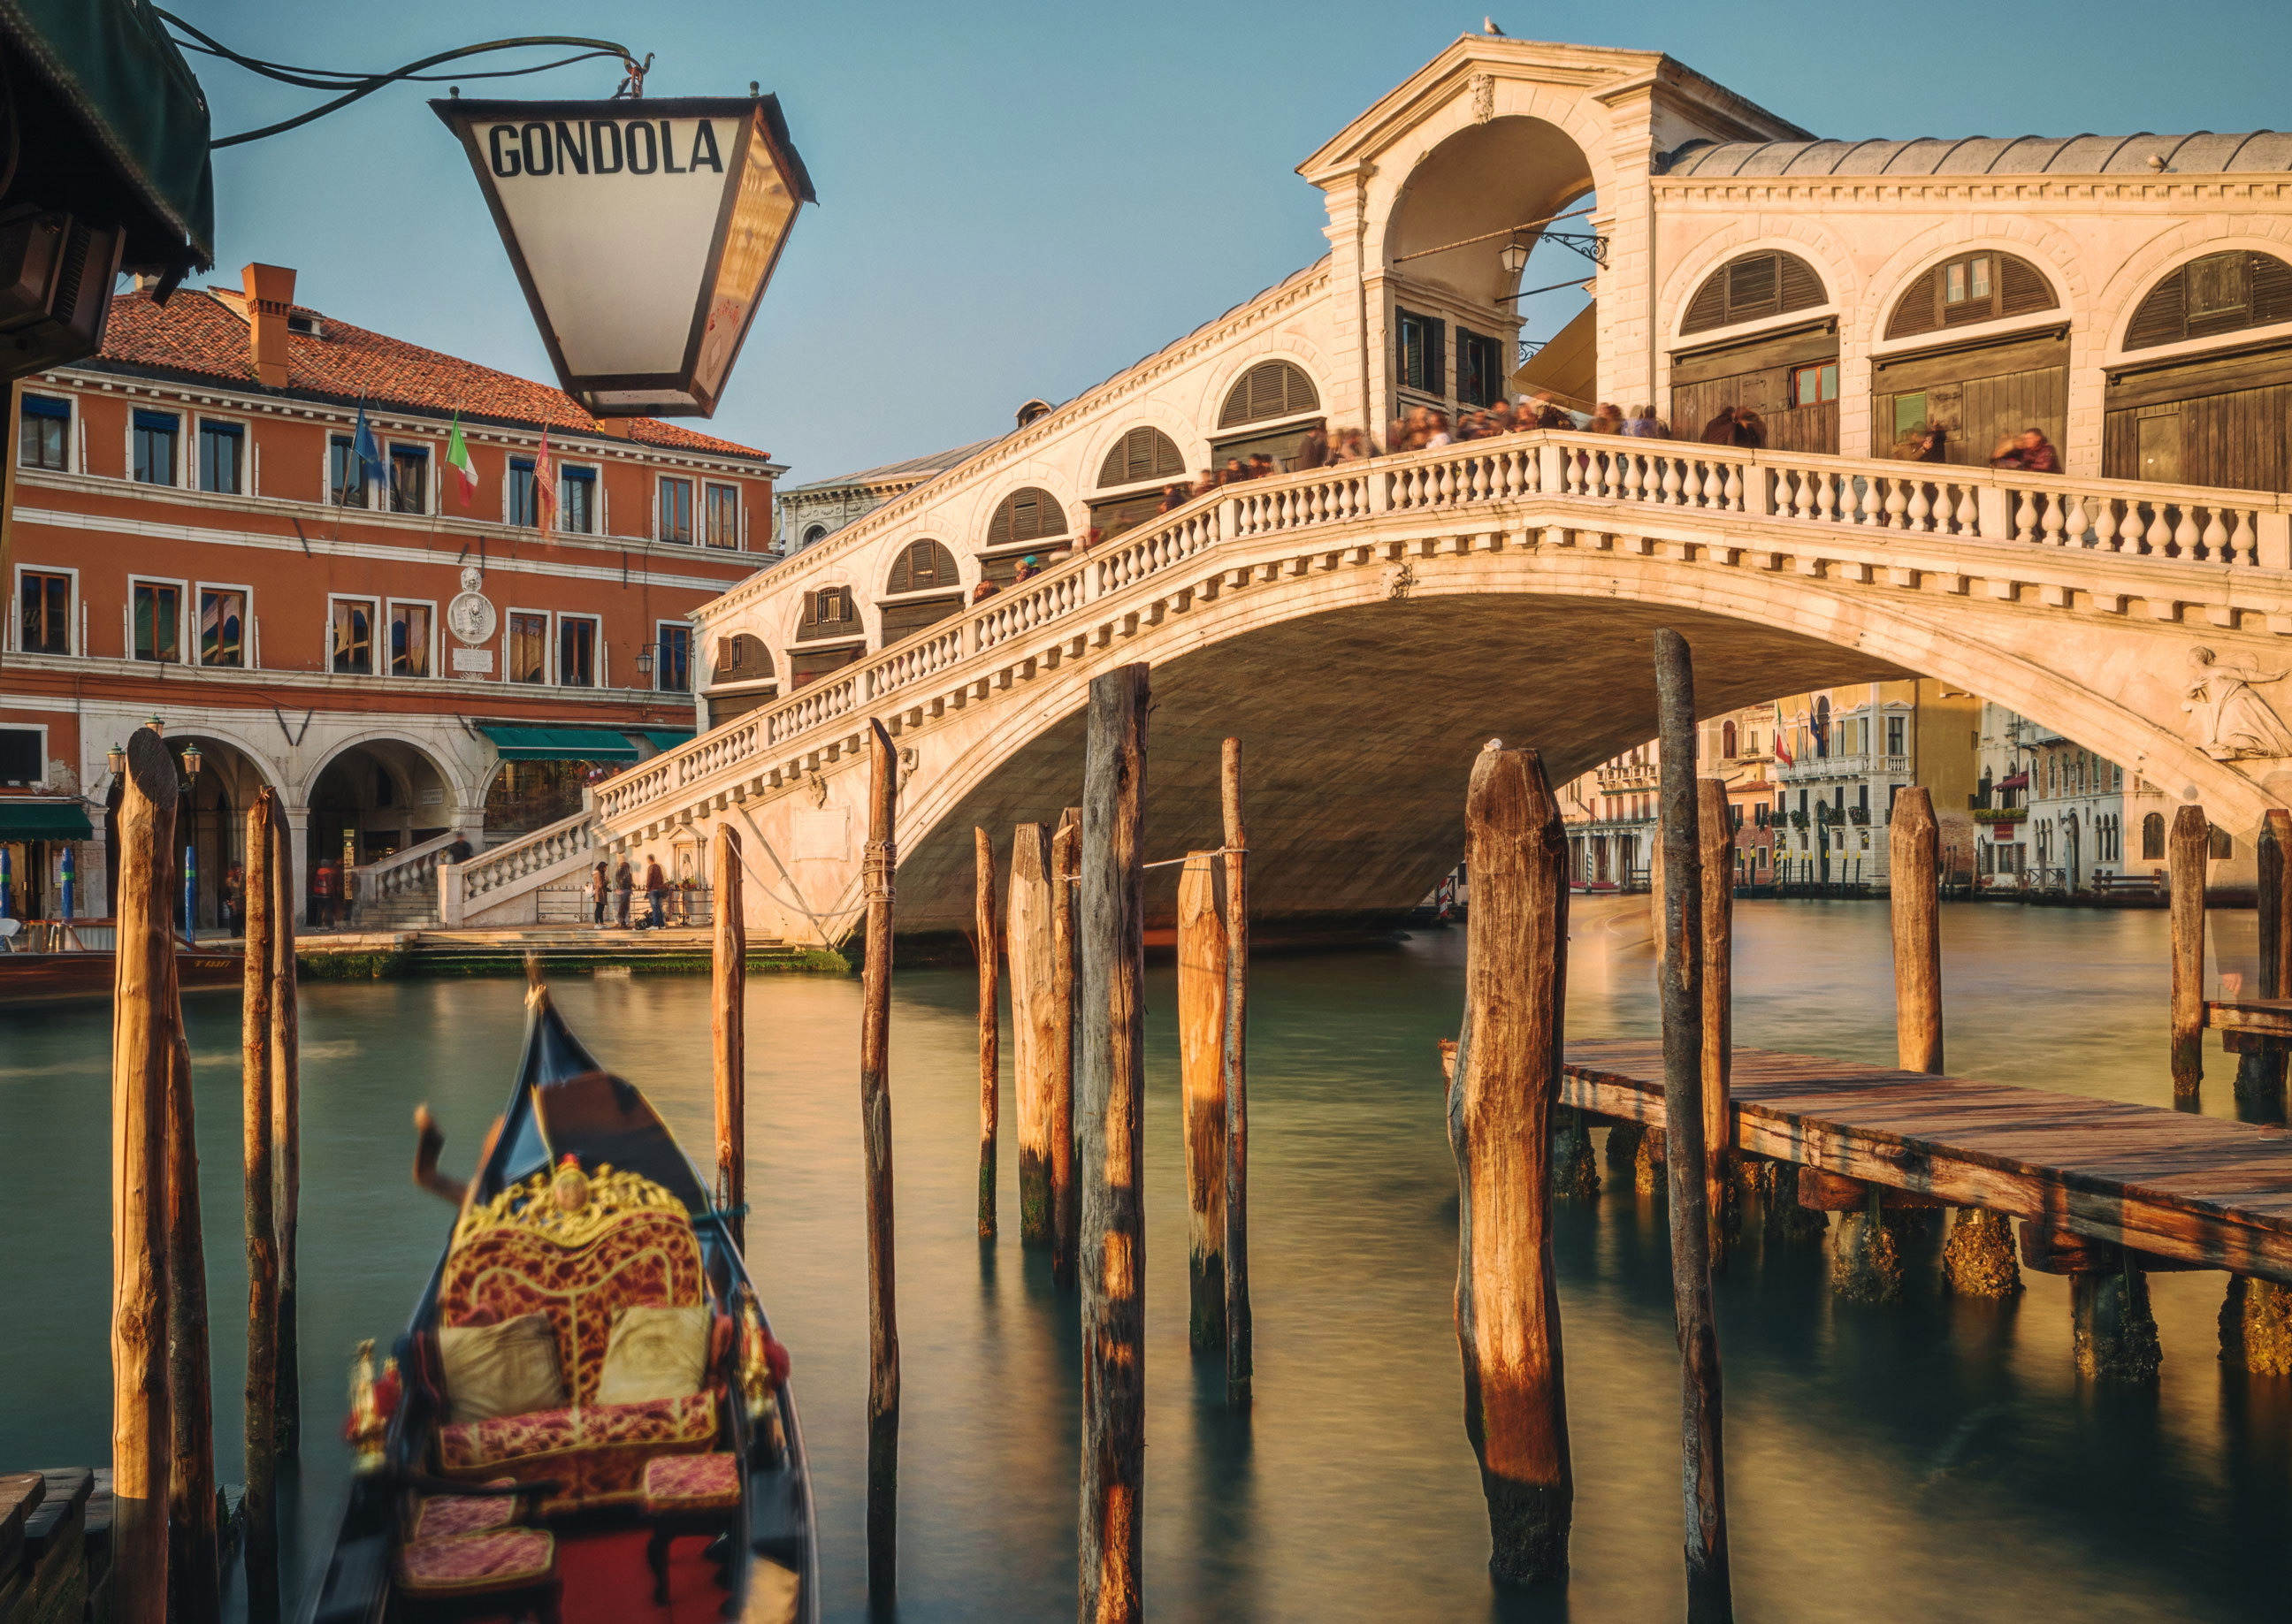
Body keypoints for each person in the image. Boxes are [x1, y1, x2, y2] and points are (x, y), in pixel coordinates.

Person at [1989, 426, 2060, 473]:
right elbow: (2000, 460)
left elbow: (2046, 466)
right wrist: (2010, 448)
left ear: (2038, 438)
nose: (2027, 441)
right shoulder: (2026, 450)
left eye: (2030, 438)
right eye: (2026, 439)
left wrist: (2025, 465)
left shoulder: (2048, 449)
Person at [644, 853, 668, 929]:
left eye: (647, 859)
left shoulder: (651, 867)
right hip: (660, 889)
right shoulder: (659, 867)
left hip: (653, 890)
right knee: (659, 908)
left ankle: (656, 924)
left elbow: (650, 878)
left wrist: (647, 888)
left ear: (649, 859)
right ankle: (662, 924)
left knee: (654, 908)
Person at [313, 858, 338, 928]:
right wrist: (334, 893)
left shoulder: (317, 872)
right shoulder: (329, 873)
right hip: (327, 895)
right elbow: (331, 884)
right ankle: (331, 925)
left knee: (319, 910)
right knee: (329, 910)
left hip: (317, 894)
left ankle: (318, 925)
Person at [222, 862, 244, 936]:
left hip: (241, 900)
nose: (239, 870)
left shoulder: (240, 878)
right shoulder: (230, 880)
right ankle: (234, 932)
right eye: (237, 868)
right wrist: (241, 878)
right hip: (232, 900)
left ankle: (240, 932)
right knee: (234, 916)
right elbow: (237, 887)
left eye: (240, 868)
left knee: (241, 916)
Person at [614, 854, 634, 928]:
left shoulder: (618, 874)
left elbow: (617, 882)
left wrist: (617, 889)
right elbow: (629, 883)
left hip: (621, 892)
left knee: (622, 907)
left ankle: (622, 922)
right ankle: (624, 922)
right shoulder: (628, 874)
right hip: (626, 891)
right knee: (625, 907)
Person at [591, 859, 608, 926]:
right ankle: (596, 923)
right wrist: (606, 880)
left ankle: (601, 923)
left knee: (601, 908)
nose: (606, 869)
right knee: (599, 908)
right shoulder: (598, 873)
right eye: (605, 867)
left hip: (601, 893)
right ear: (602, 867)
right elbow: (600, 885)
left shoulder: (599, 873)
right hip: (599, 894)